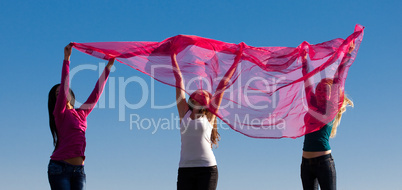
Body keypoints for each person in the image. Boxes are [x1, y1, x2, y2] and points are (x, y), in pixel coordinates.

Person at [47, 44, 114, 190]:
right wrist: (67, 59)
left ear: (71, 95)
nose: (62, 95)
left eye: (63, 93)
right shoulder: (60, 114)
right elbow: (65, 84)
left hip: (79, 171)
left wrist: (108, 67)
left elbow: (96, 93)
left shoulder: (82, 113)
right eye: (57, 95)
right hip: (60, 168)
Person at [171, 52, 237, 190]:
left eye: (206, 94)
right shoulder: (184, 112)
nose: (203, 92)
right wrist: (173, 56)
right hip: (185, 169)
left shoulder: (209, 117)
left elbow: (223, 85)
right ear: (192, 99)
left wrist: (236, 61)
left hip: (207, 169)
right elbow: (179, 81)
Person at [300, 42, 355, 190]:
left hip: (324, 163)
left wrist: (347, 55)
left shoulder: (330, 109)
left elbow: (339, 77)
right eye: (319, 88)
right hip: (305, 164)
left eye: (325, 89)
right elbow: (307, 79)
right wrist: (304, 59)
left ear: (331, 95)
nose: (320, 90)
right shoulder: (312, 104)